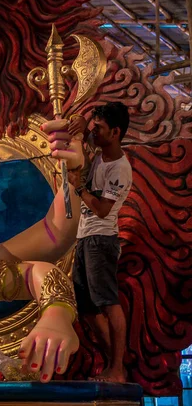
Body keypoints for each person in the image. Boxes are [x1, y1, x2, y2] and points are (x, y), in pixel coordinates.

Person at [67, 102, 132, 383]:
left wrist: (78, 186)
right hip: (85, 237)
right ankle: (114, 364)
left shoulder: (119, 168)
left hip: (100, 239)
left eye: (100, 128)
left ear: (115, 132)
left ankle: (117, 367)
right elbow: (85, 128)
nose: (94, 132)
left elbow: (103, 209)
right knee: (87, 308)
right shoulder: (100, 155)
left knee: (107, 303)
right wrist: (82, 123)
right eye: (94, 127)